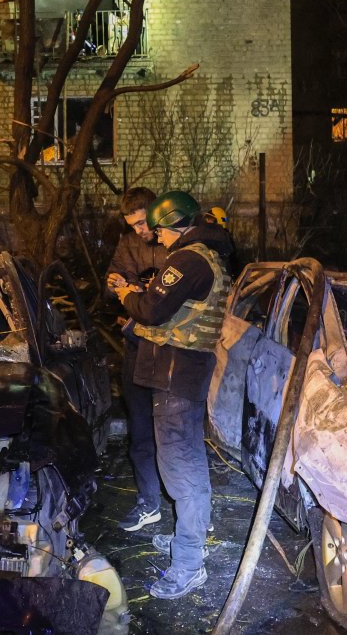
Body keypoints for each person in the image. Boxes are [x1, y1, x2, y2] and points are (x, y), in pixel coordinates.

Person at [113, 190, 232, 600]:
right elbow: (170, 318)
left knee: (181, 471)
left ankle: (188, 564)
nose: (156, 237)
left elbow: (150, 309)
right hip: (178, 375)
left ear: (175, 224)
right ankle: (189, 537)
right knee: (185, 465)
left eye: (159, 229)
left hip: (177, 377)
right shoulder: (198, 258)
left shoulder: (189, 260)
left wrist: (126, 295)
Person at [105, 187, 170, 533]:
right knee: (141, 430)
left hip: (170, 353)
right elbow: (112, 282)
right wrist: (115, 283)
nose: (140, 232)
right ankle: (149, 502)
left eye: (143, 223)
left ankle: (186, 505)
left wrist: (143, 294)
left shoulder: (174, 241)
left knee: (174, 431)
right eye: (133, 226)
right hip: (136, 347)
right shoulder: (129, 244)